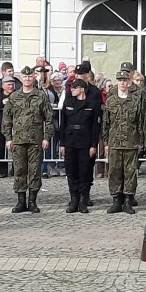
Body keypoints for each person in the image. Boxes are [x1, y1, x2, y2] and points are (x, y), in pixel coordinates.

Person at [2, 66, 54, 213]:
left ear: (34, 77)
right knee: (19, 170)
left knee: (34, 170)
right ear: (21, 78)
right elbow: (7, 119)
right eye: (25, 77)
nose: (27, 79)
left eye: (30, 76)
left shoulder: (41, 96)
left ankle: (32, 201)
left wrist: (46, 137)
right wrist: (8, 138)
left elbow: (49, 118)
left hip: (35, 140)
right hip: (18, 140)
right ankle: (20, 201)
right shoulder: (14, 97)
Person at [103, 70, 146, 214]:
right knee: (114, 171)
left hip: (131, 141)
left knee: (130, 172)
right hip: (114, 141)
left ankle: (128, 200)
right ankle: (116, 200)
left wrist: (140, 140)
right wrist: (106, 142)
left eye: (125, 80)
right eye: (120, 80)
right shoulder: (111, 101)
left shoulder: (135, 101)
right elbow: (106, 123)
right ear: (117, 82)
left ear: (129, 82)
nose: (122, 83)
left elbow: (140, 122)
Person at [58, 79, 101, 214]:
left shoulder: (92, 104)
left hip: (85, 141)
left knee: (84, 171)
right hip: (70, 141)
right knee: (71, 171)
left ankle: (83, 199)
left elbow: (95, 126)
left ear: (82, 89)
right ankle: (73, 199)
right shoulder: (69, 102)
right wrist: (62, 143)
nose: (72, 90)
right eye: (71, 87)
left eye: (75, 87)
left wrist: (93, 145)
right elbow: (63, 124)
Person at [0, 76, 16, 178]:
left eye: (12, 84)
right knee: (1, 149)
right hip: (0, 124)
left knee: (16, 148)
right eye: (8, 85)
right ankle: (2, 170)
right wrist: (1, 102)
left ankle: (15, 169)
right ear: (3, 86)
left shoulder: (16, 94)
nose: (11, 87)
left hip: (15, 125)